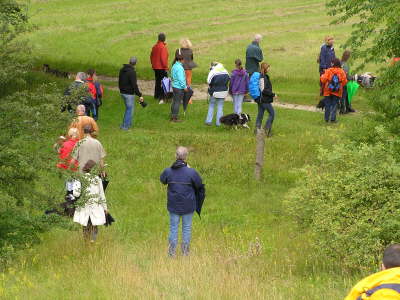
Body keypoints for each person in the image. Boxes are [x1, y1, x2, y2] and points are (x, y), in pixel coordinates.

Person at [160, 146, 204, 257]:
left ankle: (171, 254)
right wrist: (189, 168)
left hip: (173, 206)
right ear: (186, 157)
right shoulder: (191, 172)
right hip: (188, 206)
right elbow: (199, 184)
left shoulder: (168, 171)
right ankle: (185, 253)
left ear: (175, 156)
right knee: (186, 228)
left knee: (173, 228)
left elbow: (162, 180)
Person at [73, 160, 108, 242]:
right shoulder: (97, 179)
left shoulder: (79, 178)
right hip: (95, 206)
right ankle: (93, 241)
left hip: (84, 206)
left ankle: (87, 243)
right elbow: (102, 195)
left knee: (86, 225)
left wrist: (75, 184)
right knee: (94, 224)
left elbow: (76, 194)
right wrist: (105, 208)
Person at [118, 57, 145, 130]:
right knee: (129, 110)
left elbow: (119, 81)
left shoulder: (122, 70)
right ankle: (125, 126)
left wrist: (121, 89)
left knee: (129, 109)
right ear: (135, 63)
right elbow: (134, 85)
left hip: (122, 92)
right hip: (129, 94)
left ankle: (127, 124)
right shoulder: (132, 72)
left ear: (129, 62)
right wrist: (139, 94)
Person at [320, 58, 348, 123]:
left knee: (327, 105)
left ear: (333, 63)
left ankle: (326, 119)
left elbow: (323, 79)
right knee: (334, 104)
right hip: (337, 91)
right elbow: (344, 82)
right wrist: (339, 85)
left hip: (328, 90)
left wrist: (322, 76)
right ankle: (333, 119)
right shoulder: (342, 71)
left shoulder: (328, 70)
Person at [205, 62, 230, 126]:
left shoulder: (213, 71)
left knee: (211, 106)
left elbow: (208, 81)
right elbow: (229, 79)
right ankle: (218, 123)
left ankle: (208, 121)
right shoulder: (226, 71)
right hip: (223, 92)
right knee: (220, 107)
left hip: (214, 92)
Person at [256, 62, 276, 136]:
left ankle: (257, 132)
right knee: (272, 114)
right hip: (264, 100)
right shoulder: (262, 77)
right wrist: (273, 94)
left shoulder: (264, 76)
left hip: (261, 99)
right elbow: (263, 90)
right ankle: (266, 131)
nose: (269, 69)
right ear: (265, 68)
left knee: (260, 115)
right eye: (268, 67)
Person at [150, 33, 169, 104]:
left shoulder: (154, 46)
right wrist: (166, 67)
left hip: (155, 67)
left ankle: (156, 95)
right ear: (164, 39)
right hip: (161, 68)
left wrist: (153, 64)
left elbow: (151, 57)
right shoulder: (163, 47)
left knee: (157, 82)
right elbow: (163, 59)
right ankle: (162, 98)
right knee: (164, 82)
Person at [170, 54, 187, 122]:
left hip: (174, 86)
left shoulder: (174, 65)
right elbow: (181, 79)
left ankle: (172, 115)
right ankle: (174, 118)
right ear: (181, 60)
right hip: (179, 87)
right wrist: (184, 87)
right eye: (183, 60)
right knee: (177, 102)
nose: (184, 61)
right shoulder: (179, 68)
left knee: (174, 101)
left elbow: (172, 75)